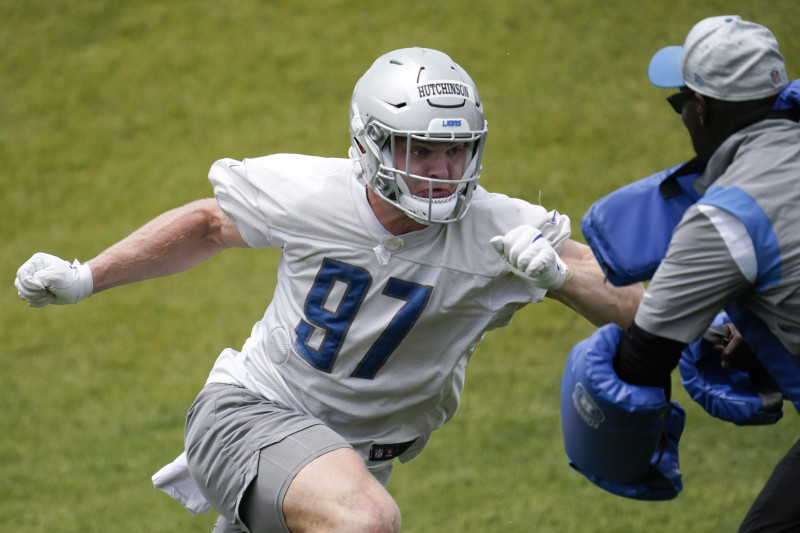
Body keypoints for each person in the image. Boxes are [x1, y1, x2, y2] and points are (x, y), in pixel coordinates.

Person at [15, 47, 642, 533]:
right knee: (366, 522)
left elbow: (645, 311)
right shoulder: (311, 193)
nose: (443, 173)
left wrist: (560, 276)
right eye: (421, 150)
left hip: (357, 459)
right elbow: (208, 224)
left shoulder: (503, 231)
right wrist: (86, 276)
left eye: (456, 151)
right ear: (371, 144)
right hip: (253, 411)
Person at [560, 16, 800, 532]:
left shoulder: (726, 220)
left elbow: (644, 357)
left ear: (700, 110)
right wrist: (763, 334)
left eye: (679, 103)